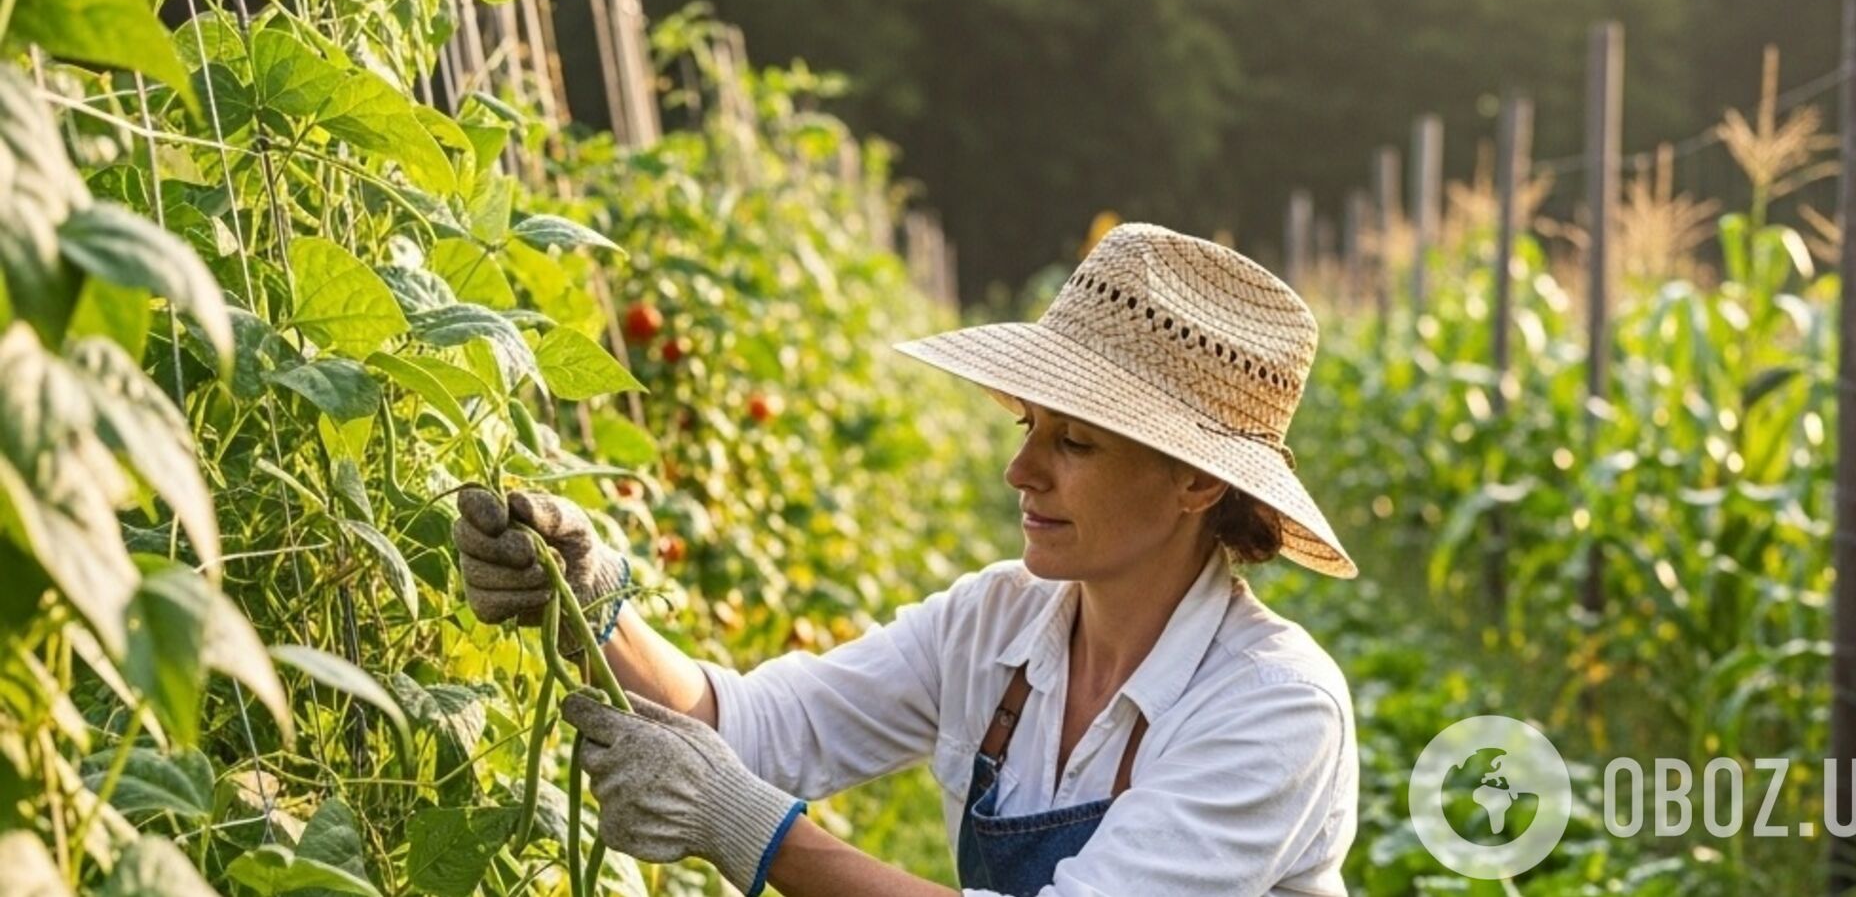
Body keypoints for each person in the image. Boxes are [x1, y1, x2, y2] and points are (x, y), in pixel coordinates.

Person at [452, 223, 1361, 895]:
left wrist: (750, 829)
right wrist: (594, 608)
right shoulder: (993, 623)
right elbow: (764, 728)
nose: (1021, 470)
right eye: (1026, 427)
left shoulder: (1272, 706)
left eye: (1075, 444)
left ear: (1198, 485)